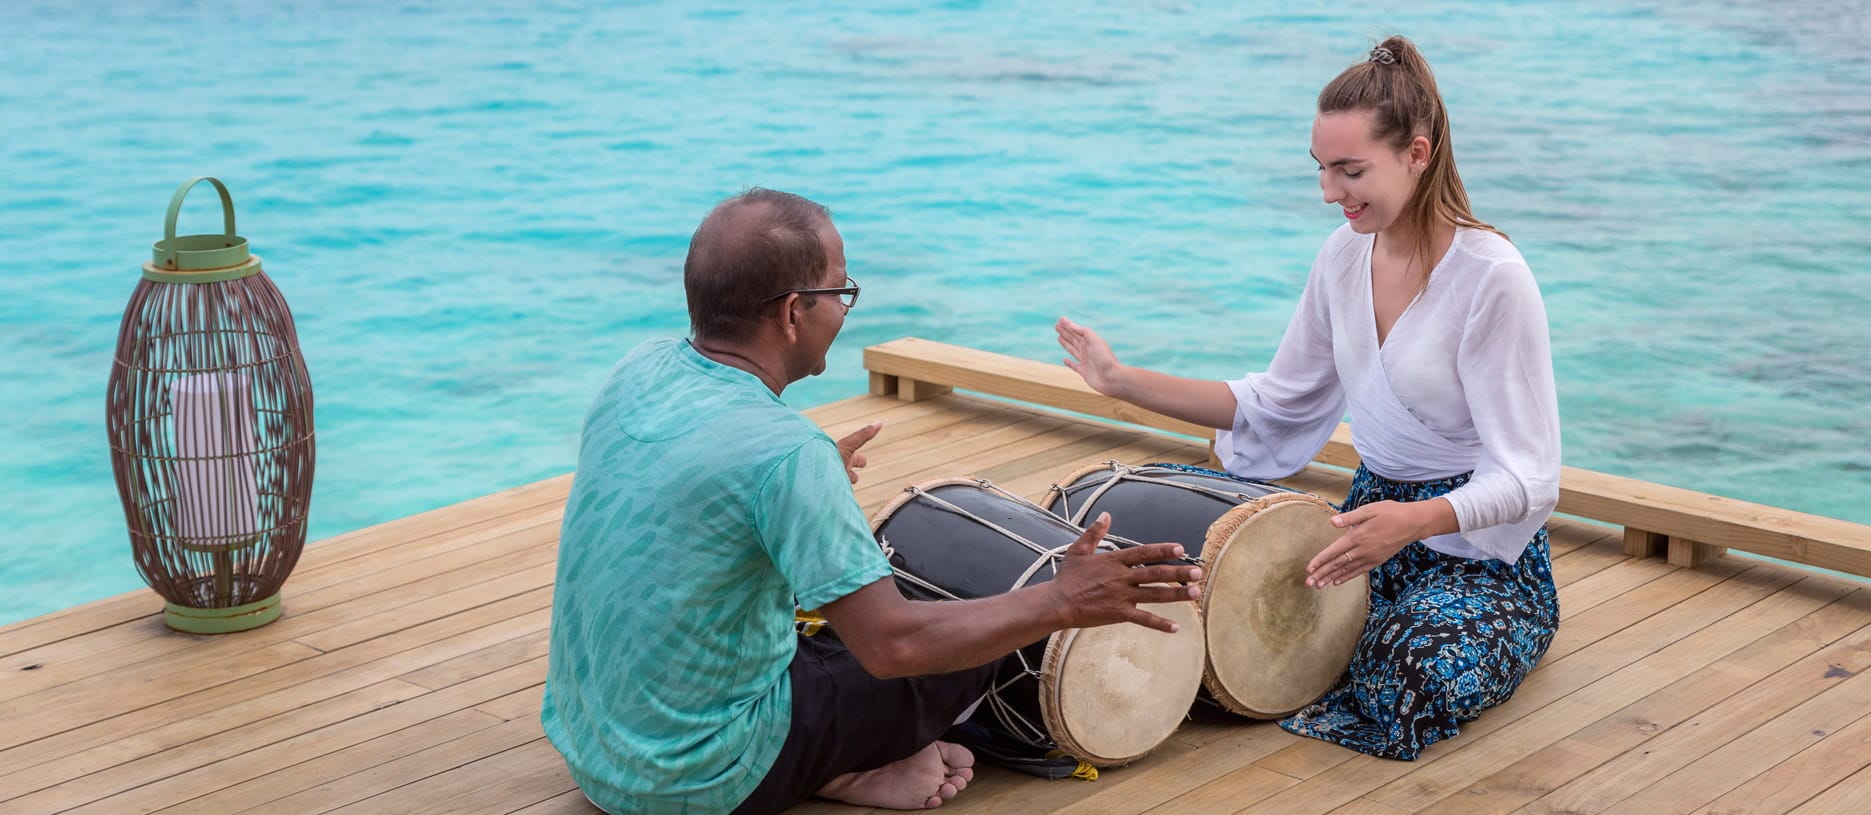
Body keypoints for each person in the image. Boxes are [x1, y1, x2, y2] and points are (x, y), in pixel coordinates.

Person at [543, 187, 1201, 814]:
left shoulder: (638, 369)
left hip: (595, 746)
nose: (844, 307)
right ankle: (839, 765)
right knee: (965, 632)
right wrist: (1062, 599)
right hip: (698, 780)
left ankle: (836, 761)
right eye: (842, 290)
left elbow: (678, 495)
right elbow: (892, 647)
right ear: (793, 311)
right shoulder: (785, 452)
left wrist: (805, 477)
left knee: (826, 624)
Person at [1055, 36, 1560, 760]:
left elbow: (1531, 475)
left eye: (1351, 170)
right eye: (1322, 170)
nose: (1330, 192)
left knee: (1409, 676)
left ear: (1417, 154)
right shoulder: (1341, 255)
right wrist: (1120, 380)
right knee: (1205, 598)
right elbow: (1276, 402)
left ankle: (1486, 628)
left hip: (1480, 556)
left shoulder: (1492, 278)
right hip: (1360, 532)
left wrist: (1413, 520)